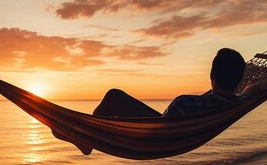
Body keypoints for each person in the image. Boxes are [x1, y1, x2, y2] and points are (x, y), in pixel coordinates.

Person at [54, 48, 247, 155]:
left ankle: (88, 139)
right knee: (114, 96)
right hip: (173, 135)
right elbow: (237, 95)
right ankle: (88, 138)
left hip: (155, 136)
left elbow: (163, 126)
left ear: (211, 74)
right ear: (238, 80)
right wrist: (253, 90)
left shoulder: (185, 103)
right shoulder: (236, 102)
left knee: (114, 95)